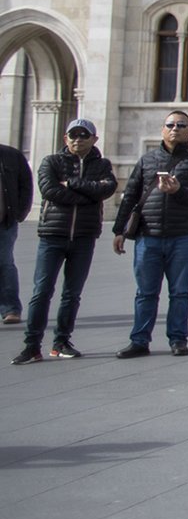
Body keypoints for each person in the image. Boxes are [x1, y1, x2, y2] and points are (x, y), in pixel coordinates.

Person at [111, 110, 188, 358]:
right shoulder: (147, 160)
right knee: (145, 292)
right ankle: (139, 340)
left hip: (183, 235)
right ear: (162, 129)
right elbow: (131, 195)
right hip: (148, 236)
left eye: (181, 125)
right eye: (170, 125)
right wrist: (119, 230)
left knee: (180, 292)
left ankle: (178, 339)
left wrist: (179, 190)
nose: (175, 129)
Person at [13, 120, 117, 363]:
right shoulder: (51, 162)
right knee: (41, 292)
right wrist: (88, 196)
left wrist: (72, 184)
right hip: (53, 235)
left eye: (83, 135)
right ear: (65, 138)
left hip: (84, 236)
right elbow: (50, 191)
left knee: (72, 294)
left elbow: (107, 189)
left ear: (94, 139)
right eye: (73, 135)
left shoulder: (102, 165)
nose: (77, 139)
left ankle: (61, 342)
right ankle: (32, 345)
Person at [0, 138, 30, 325]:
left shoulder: (11, 156)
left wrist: (20, 213)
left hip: (5, 221)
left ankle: (10, 308)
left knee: (5, 263)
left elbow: (26, 185)